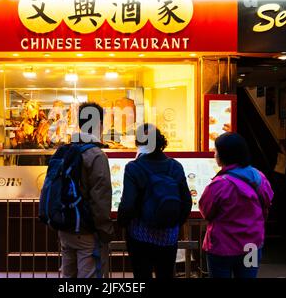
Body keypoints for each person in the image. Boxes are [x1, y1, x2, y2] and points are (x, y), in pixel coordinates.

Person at [117, 124, 192, 278]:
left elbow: (128, 204)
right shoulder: (175, 166)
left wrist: (121, 224)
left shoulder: (133, 167)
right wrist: (174, 224)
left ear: (138, 143)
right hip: (168, 237)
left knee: (142, 276)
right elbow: (186, 201)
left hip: (140, 236)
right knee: (165, 274)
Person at [199, 132, 274, 278]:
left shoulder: (219, 184)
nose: (215, 154)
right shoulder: (259, 177)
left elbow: (206, 212)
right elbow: (268, 201)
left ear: (223, 155)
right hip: (251, 245)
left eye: (216, 151)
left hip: (221, 247)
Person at [58, 102, 115, 278]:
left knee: (69, 276)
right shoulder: (97, 155)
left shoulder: (65, 150)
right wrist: (105, 230)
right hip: (87, 231)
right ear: (99, 124)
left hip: (65, 227)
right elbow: (100, 198)